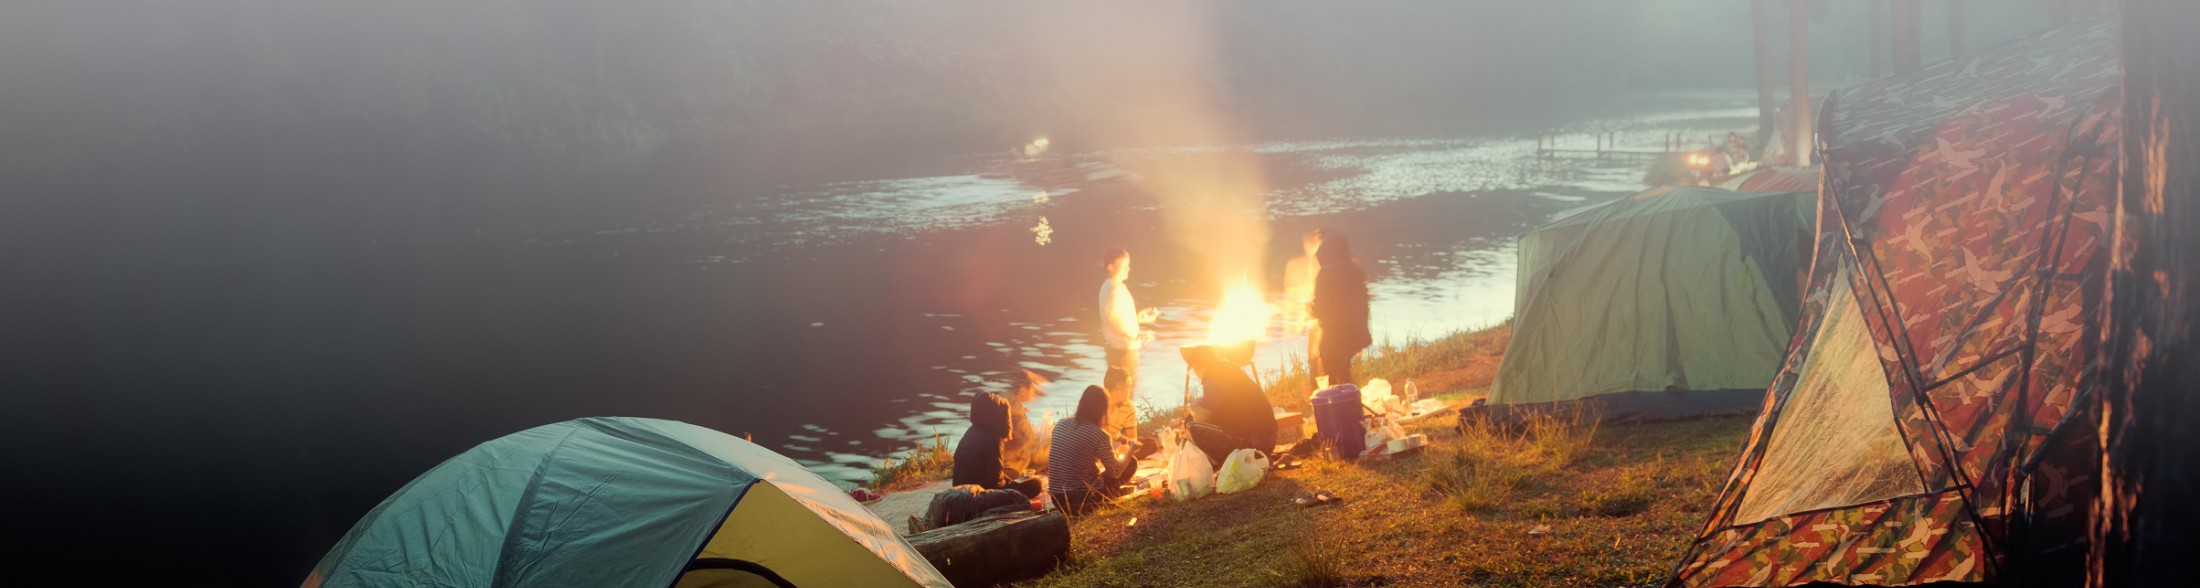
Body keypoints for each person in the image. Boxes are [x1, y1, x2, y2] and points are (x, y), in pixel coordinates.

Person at [1097, 248, 1158, 443]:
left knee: (1127, 393)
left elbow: (1121, 317)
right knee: (1122, 395)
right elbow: (1113, 318)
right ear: (1111, 266)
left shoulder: (1117, 287)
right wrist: (1135, 334)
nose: (1129, 269)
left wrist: (1140, 319)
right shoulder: (1112, 287)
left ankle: (1124, 438)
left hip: (1125, 348)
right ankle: (1120, 440)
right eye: (1125, 265)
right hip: (1122, 351)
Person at [1182, 346, 1279, 467]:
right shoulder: (1225, 369)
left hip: (1255, 442)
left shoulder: (1214, 376)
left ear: (1198, 365)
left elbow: (1206, 414)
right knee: (1195, 423)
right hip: (1266, 439)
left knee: (1191, 426)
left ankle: (1226, 464)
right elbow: (1219, 406)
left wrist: (1192, 412)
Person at [1046, 386, 1135, 517]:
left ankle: (1111, 493)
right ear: (1102, 409)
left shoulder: (1060, 424)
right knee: (1131, 463)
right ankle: (1110, 495)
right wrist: (1131, 449)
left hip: (1056, 498)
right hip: (1082, 499)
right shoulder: (1099, 434)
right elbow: (1115, 472)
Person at [1309, 231, 1372, 387]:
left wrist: (1310, 309)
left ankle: (1337, 404)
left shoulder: (1325, 274)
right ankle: (1351, 400)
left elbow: (1320, 308)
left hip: (1336, 338)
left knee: (1332, 376)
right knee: (1343, 373)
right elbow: (1363, 304)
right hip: (1357, 334)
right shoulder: (1355, 272)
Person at [953, 393, 1044, 498]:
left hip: (961, 489)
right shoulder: (993, 438)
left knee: (1014, 473)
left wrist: (1008, 479)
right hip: (980, 494)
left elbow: (993, 470)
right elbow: (995, 481)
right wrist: (1009, 484)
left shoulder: (972, 430)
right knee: (1036, 484)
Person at [1283, 230, 1326, 382]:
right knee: (1314, 357)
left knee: (1320, 356)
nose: (1309, 247)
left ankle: (1326, 389)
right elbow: (1294, 295)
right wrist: (1295, 321)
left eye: (1314, 244)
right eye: (1308, 244)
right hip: (1314, 320)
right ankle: (1317, 388)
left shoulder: (1325, 266)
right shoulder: (1299, 266)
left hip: (1324, 320)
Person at [1000, 369, 1048, 477]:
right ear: (1022, 390)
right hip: (1009, 467)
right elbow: (1036, 455)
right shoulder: (1016, 415)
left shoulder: (1002, 401)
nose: (1035, 394)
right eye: (1033, 389)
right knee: (1054, 454)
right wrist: (1057, 443)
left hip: (1000, 459)